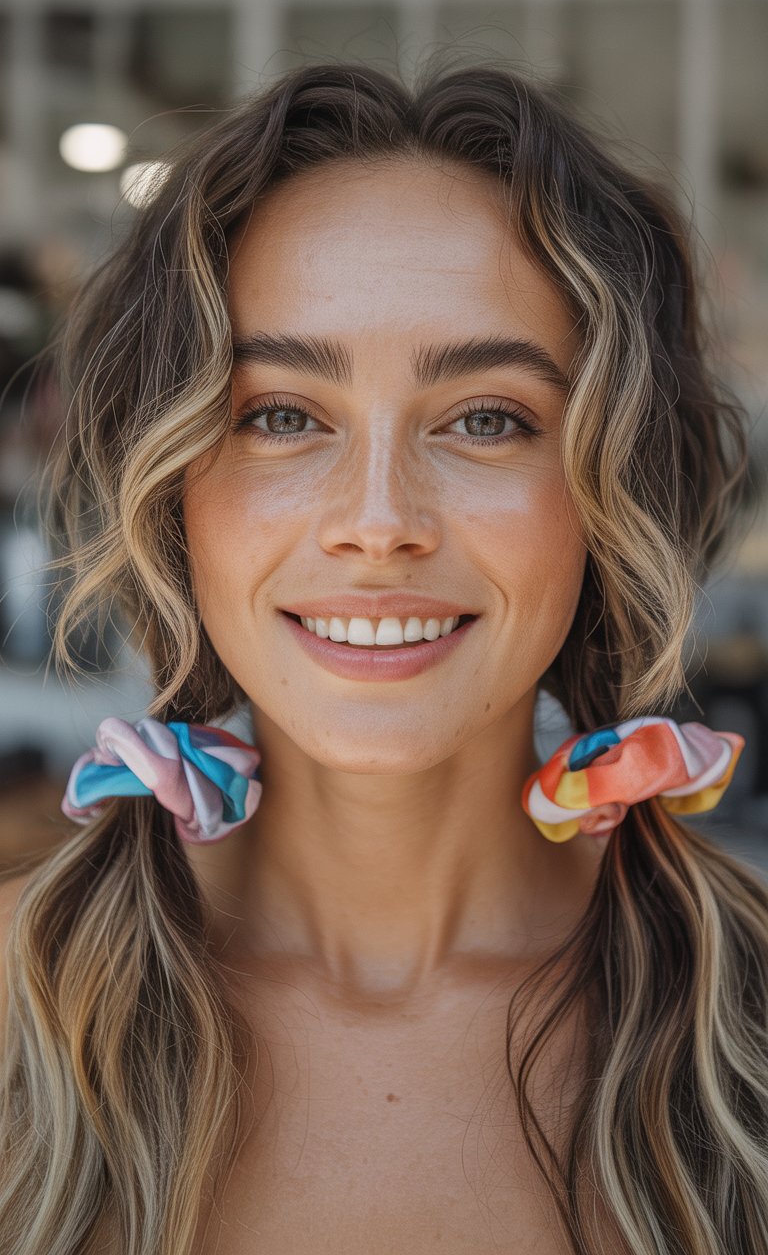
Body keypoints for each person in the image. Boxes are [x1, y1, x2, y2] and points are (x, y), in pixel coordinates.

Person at [0, 61, 765, 1255]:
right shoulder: (13, 1004)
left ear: (611, 491)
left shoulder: (751, 1027)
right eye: (280, 414)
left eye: (487, 418)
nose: (377, 518)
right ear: (173, 491)